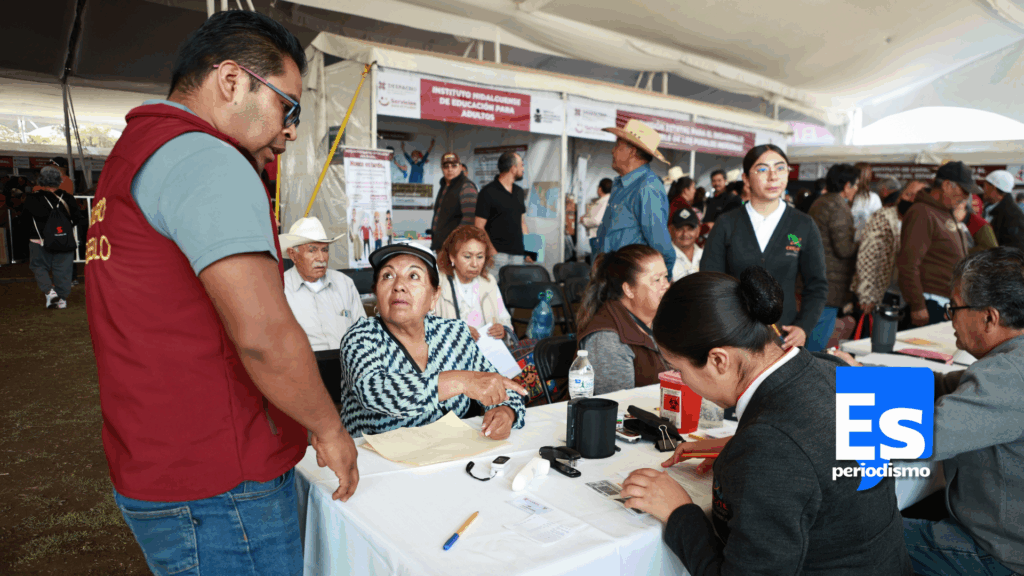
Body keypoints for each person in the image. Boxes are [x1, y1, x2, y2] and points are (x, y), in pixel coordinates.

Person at [84, 12, 358, 575]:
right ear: (232, 81)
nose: (290, 132)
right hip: (219, 481)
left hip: (159, 460)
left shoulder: (139, 151)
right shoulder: (207, 158)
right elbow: (263, 334)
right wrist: (330, 428)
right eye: (288, 107)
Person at [619, 267, 911, 576]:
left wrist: (679, 512)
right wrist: (742, 445)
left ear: (718, 360)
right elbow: (813, 445)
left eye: (679, 369)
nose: (683, 381)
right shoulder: (833, 368)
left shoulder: (769, 447)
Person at [835, 247, 1024, 576]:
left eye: (955, 308)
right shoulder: (1010, 361)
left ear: (989, 318)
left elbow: (921, 435)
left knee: (844, 534)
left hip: (998, 553)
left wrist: (833, 415)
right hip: (999, 529)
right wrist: (860, 374)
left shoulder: (1008, 375)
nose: (950, 318)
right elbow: (942, 384)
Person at [340, 244, 527, 437]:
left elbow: (497, 385)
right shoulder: (361, 337)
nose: (398, 286)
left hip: (450, 449)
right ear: (376, 293)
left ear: (434, 296)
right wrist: (462, 381)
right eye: (387, 276)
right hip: (374, 454)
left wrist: (506, 411)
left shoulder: (455, 333)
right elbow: (374, 390)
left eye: (413, 276)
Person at [701, 144, 828, 350]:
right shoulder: (726, 224)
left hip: (784, 339)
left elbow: (817, 285)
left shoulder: (802, 224)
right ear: (746, 178)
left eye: (780, 168)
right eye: (762, 169)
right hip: (735, 339)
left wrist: (803, 327)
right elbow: (709, 284)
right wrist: (723, 328)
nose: (773, 176)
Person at [280, 217, 365, 400]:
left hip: (350, 380)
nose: (321, 258)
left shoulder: (344, 284)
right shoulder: (280, 289)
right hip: (302, 384)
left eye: (325, 250)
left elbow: (363, 334)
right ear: (293, 254)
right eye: (312, 250)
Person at [576, 244, 670, 395]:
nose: (666, 285)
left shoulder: (661, 320)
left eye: (665, 276)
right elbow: (618, 403)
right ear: (629, 290)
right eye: (657, 279)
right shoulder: (607, 339)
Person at [897, 161, 974, 326]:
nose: (967, 197)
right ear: (946, 185)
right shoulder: (922, 212)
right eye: (964, 190)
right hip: (930, 303)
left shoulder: (942, 212)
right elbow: (908, 263)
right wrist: (917, 305)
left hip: (944, 302)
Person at [595, 119, 675, 271]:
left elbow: (661, 248)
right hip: (611, 276)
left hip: (629, 279)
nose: (612, 151)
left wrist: (662, 280)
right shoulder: (621, 185)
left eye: (617, 145)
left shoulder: (647, 188)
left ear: (632, 151)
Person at [807, 163, 860, 348]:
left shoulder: (821, 201)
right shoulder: (838, 207)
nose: (856, 189)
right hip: (829, 281)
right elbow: (844, 249)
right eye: (856, 185)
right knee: (818, 340)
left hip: (816, 277)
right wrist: (862, 241)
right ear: (847, 186)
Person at [852, 181, 923, 314]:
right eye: (908, 194)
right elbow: (868, 257)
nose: (911, 199)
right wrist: (867, 295)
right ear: (900, 196)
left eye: (917, 197)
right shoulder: (884, 217)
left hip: (908, 298)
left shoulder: (922, 223)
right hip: (883, 294)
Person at [434, 225, 513, 342]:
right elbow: (424, 326)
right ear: (452, 257)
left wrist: (503, 330)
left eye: (480, 257)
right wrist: (454, 331)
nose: (474, 264)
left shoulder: (489, 282)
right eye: (467, 256)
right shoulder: (438, 283)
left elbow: (505, 320)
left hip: (486, 350)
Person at [24, 165, 83, 309]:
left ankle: (49, 292)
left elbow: (24, 219)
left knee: (39, 266)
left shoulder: (33, 198)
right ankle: (62, 300)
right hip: (64, 240)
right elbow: (77, 218)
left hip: (39, 240)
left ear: (41, 181)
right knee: (63, 270)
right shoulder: (68, 198)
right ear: (59, 181)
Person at [475, 151, 530, 271]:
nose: (523, 169)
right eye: (521, 165)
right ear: (513, 168)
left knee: (517, 284)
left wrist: (530, 250)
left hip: (518, 255)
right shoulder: (487, 192)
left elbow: (522, 223)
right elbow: (479, 226)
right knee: (494, 284)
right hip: (497, 255)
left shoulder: (519, 192)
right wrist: (491, 250)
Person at [430, 151, 478, 252]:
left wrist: (454, 242)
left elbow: (469, 220)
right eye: (446, 166)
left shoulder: (466, 187)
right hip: (440, 245)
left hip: (455, 247)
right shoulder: (444, 186)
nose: (450, 169)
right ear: (442, 168)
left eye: (454, 166)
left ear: (460, 167)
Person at [983, 170, 1024, 250]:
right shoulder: (989, 208)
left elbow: (1015, 250)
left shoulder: (1013, 217)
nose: (983, 189)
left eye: (985, 186)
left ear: (993, 188)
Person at [668, 206, 702, 281]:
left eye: (690, 229)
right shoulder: (664, 258)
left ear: (698, 231)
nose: (685, 234)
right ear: (670, 230)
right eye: (680, 229)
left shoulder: (705, 255)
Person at [581, 178, 612, 255]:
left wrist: (584, 220)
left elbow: (597, 220)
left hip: (598, 237)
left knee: (597, 259)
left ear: (600, 189)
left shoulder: (603, 202)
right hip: (605, 237)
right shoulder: (610, 200)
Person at [851, 162, 882, 234]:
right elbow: (879, 224)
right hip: (865, 238)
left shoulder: (846, 194)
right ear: (869, 176)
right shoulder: (873, 198)